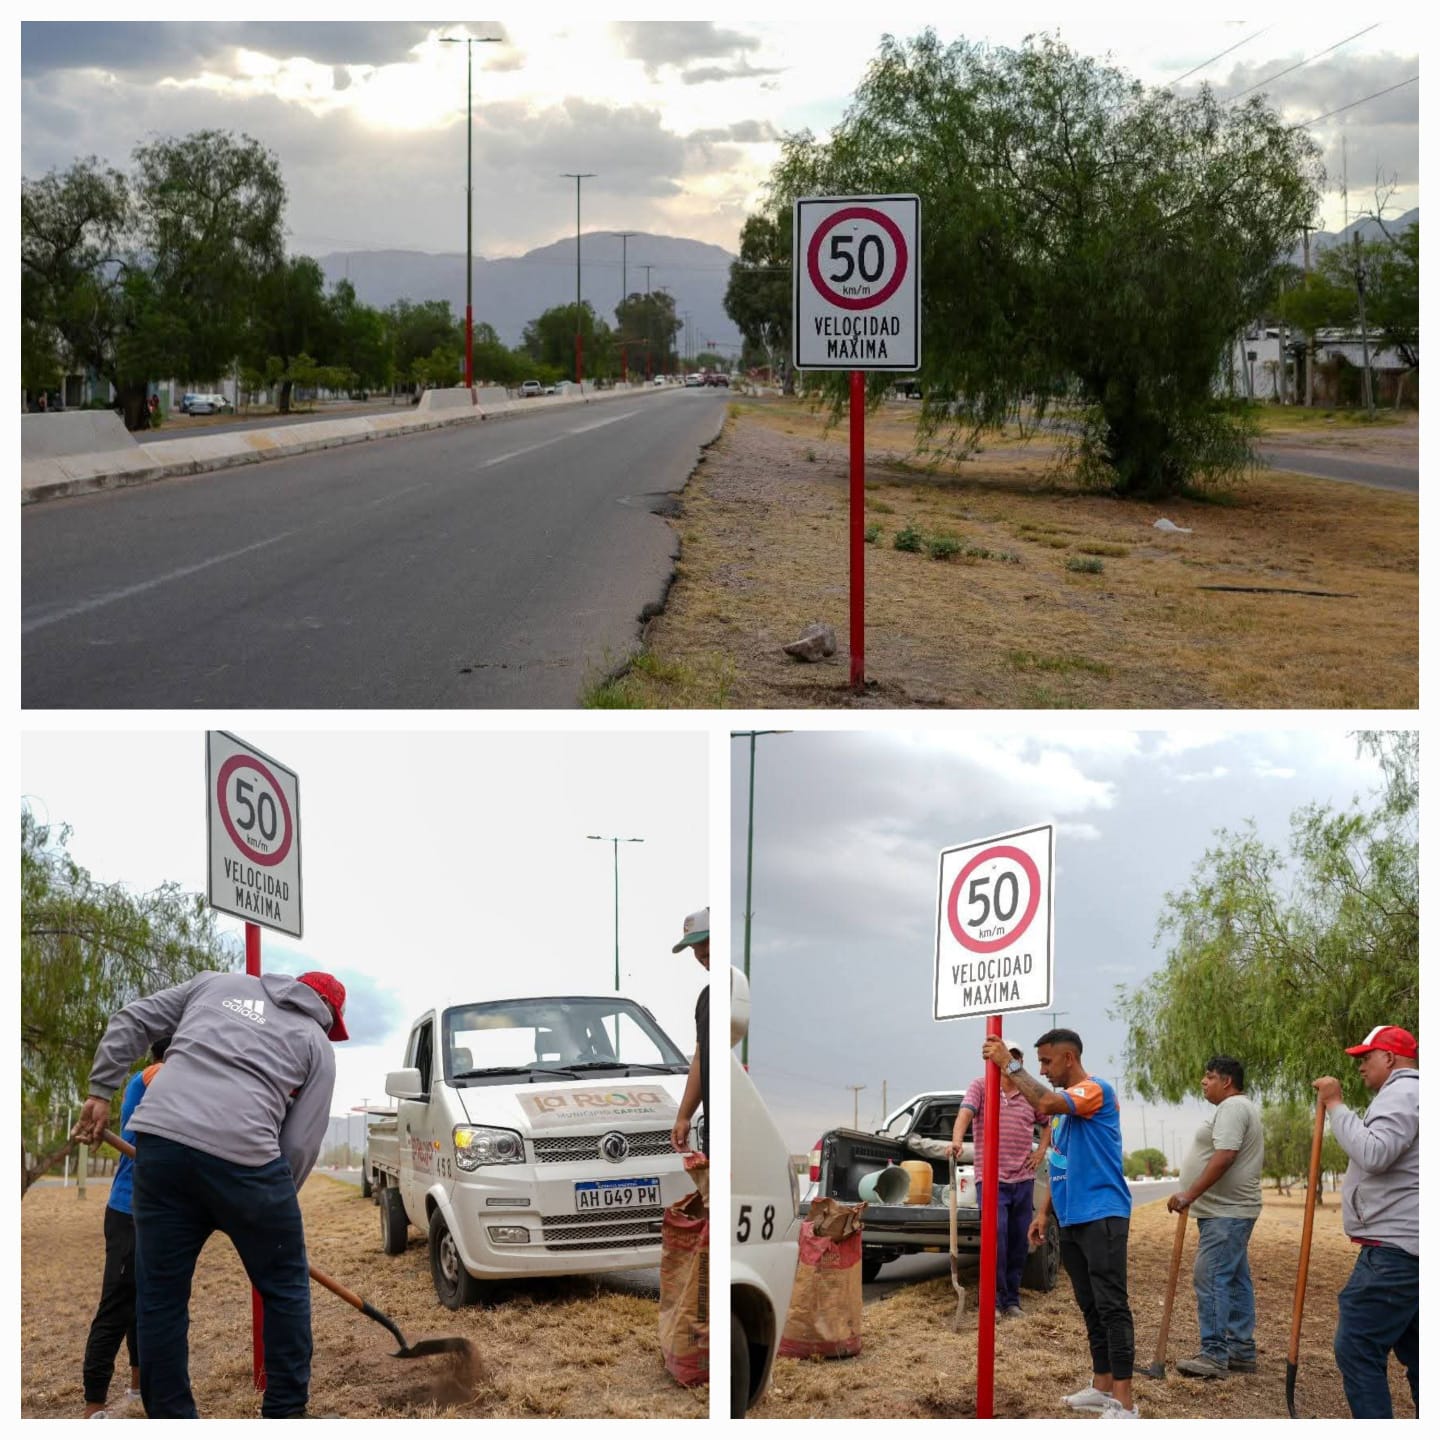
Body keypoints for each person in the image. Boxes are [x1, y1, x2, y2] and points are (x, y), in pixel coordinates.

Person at [73, 970, 348, 1419]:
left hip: (160, 1148)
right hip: (249, 1162)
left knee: (160, 1297)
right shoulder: (318, 1044)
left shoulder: (214, 984)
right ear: (330, 1015)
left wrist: (101, 1090)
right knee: (285, 1288)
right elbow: (299, 1145)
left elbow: (132, 1018)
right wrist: (267, 1207)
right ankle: (285, 1415)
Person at [982, 1029, 1137, 1418]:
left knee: (1111, 1306)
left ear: (1069, 1058)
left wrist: (1009, 1064)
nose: (1042, 1069)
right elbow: (1058, 1164)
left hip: (1103, 1215)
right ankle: (1102, 1386)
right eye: (1038, 1063)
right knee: (1089, 1306)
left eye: (1046, 1061)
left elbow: (1046, 1099)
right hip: (1072, 1219)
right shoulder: (1065, 1120)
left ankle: (1125, 1403)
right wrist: (1042, 1212)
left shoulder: (1094, 1091)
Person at [1313, 1025, 1418, 1419]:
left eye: (1365, 1058)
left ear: (1388, 1058)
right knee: (1420, 1353)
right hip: (1409, 1247)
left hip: (1394, 1251)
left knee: (1356, 1346)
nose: (1359, 1066)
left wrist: (1337, 1104)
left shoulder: (1404, 1093)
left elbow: (1374, 1153)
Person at [80, 1036, 170, 1418]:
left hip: (156, 1211)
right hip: (129, 1210)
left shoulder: (155, 1077)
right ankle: (94, 1406)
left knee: (143, 1303)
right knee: (116, 1306)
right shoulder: (154, 1076)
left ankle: (137, 1390)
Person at [1166, 1055, 1264, 1379]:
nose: (1203, 1082)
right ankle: (1240, 1351)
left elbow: (1225, 1155)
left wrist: (1189, 1194)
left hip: (1228, 1212)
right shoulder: (1235, 1108)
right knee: (1234, 1279)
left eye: (1209, 1077)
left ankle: (1214, 1354)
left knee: (1209, 1276)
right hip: (1227, 1211)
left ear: (1226, 1081)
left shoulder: (1233, 1108)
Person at [949, 1045, 1051, 1318]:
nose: (1009, 1061)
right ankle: (992, 1301)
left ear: (1020, 1061)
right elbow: (965, 1113)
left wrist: (1041, 1151)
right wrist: (957, 1140)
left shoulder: (1030, 1093)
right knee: (996, 1240)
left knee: (1019, 1242)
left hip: (1023, 1178)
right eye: (1004, 1056)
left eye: (1014, 1056)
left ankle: (1011, 1300)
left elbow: (1047, 1122)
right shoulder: (981, 1086)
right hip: (991, 1178)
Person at [669, 907, 709, 1156]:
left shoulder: (733, 991)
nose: (701, 952)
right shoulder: (706, 998)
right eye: (694, 948)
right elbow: (699, 1058)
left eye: (706, 942)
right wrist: (684, 1116)